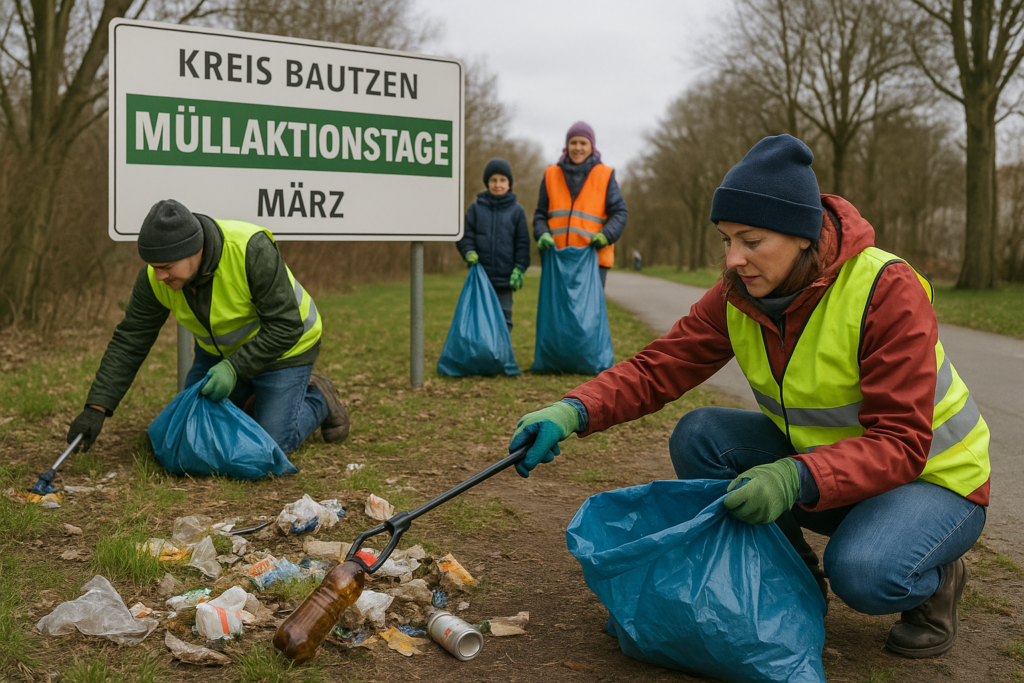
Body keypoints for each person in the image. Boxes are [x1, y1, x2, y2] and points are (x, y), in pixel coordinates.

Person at [509, 135, 991, 659]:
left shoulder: (885, 289)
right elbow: (659, 368)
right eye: (726, 239)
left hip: (934, 480)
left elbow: (901, 442)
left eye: (751, 241)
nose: (734, 258)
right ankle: (795, 575)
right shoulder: (739, 294)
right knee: (703, 435)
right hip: (841, 474)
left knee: (867, 573)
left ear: (802, 236)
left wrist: (795, 476)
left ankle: (936, 577)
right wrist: (574, 411)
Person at [66, 199, 350, 456]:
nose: (159, 275)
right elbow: (130, 340)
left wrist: (234, 369)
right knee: (186, 436)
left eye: (166, 266)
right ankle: (253, 397)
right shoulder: (154, 277)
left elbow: (286, 325)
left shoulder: (250, 249)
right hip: (219, 355)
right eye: (153, 266)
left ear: (196, 250)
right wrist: (96, 408)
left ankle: (319, 398)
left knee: (268, 445)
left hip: (287, 348)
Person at [533, 121, 628, 288]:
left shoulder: (605, 175)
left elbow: (620, 212)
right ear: (566, 146)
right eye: (573, 142)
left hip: (593, 258)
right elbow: (541, 214)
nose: (578, 148)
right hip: (558, 258)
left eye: (583, 143)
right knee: (559, 313)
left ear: (592, 147)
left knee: (589, 313)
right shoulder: (551, 174)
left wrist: (606, 235)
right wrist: (542, 234)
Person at [456, 158, 531, 331]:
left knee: (504, 320)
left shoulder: (517, 211)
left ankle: (502, 356)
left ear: (509, 183)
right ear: (487, 182)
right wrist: (469, 252)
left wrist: (520, 268)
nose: (498, 184)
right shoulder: (475, 208)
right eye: (493, 180)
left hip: (506, 279)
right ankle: (481, 355)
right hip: (481, 277)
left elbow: (522, 243)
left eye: (503, 180)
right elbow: (465, 235)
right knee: (479, 319)